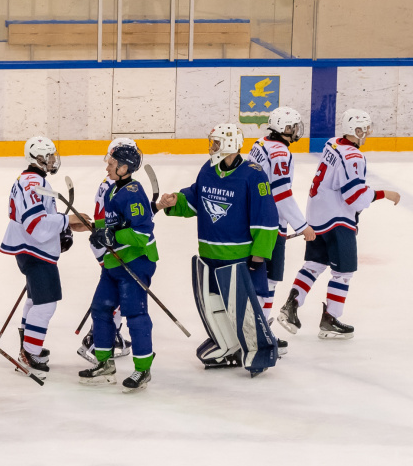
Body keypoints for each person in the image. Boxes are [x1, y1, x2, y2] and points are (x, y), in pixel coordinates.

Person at [155, 123, 279, 377]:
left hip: (238, 258)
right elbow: (195, 198)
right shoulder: (208, 169)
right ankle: (226, 344)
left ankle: (260, 352)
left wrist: (259, 255)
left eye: (216, 142)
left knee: (243, 310)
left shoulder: (253, 175)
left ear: (230, 145)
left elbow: (266, 217)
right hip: (208, 254)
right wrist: (176, 201)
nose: (211, 147)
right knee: (212, 306)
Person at [277, 108, 401, 340]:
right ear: (356, 130)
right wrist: (384, 193)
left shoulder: (332, 143)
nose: (367, 133)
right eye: (364, 129)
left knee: (314, 264)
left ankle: (290, 305)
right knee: (343, 273)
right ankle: (330, 319)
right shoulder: (354, 157)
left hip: (316, 213)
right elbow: (354, 196)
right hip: (336, 219)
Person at [78, 144, 159, 392]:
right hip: (115, 261)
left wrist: (112, 236)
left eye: (112, 164)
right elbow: (111, 222)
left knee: (135, 313)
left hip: (136, 261)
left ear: (124, 168)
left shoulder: (134, 193)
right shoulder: (113, 189)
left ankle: (143, 369)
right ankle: (105, 364)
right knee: (101, 308)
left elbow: (142, 234)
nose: (107, 168)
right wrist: (98, 231)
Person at [0, 137, 82, 378]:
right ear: (38, 158)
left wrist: (62, 229)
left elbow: (40, 217)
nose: (54, 160)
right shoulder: (33, 182)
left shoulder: (30, 179)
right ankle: (29, 352)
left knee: (35, 299)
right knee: (46, 303)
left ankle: (27, 347)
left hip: (30, 248)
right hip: (34, 250)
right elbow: (35, 223)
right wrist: (66, 220)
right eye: (50, 156)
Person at [246, 106, 315, 355]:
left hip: (252, 219)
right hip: (270, 224)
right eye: (293, 127)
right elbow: (281, 193)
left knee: (257, 277)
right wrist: (303, 226)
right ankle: (259, 332)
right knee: (269, 280)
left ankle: (252, 328)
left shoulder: (260, 143)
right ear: (284, 128)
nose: (296, 131)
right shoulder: (280, 152)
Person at [79, 138, 137, 364]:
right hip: (109, 244)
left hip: (104, 241)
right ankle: (98, 341)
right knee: (119, 294)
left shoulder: (111, 182)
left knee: (114, 292)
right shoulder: (115, 186)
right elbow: (112, 221)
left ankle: (104, 336)